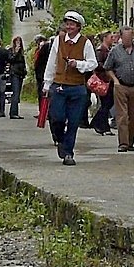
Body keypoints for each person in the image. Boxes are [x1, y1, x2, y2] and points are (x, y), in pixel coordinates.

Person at [42, 11, 97, 166]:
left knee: (73, 122)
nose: (69, 27)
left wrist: (78, 64)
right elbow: (51, 62)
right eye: (67, 24)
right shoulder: (58, 41)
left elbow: (93, 63)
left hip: (77, 88)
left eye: (72, 24)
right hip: (59, 85)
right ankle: (60, 139)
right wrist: (47, 84)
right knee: (56, 118)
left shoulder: (85, 43)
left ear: (78, 27)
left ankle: (68, 154)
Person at [103, 26, 134, 153]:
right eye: (126, 37)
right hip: (121, 85)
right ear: (121, 37)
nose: (128, 39)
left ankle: (130, 142)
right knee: (122, 116)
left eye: (130, 37)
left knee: (133, 116)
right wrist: (115, 81)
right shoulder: (115, 51)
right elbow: (107, 68)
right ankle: (123, 143)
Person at [90, 31, 115, 136]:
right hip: (103, 81)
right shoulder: (101, 51)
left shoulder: (108, 50)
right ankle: (101, 125)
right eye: (111, 37)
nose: (113, 39)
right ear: (105, 38)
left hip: (108, 80)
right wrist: (107, 68)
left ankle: (99, 123)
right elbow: (98, 65)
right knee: (106, 103)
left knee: (108, 103)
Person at [7, 35, 27, 119]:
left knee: (18, 93)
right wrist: (15, 52)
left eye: (19, 42)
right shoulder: (11, 50)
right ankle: (13, 113)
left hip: (20, 73)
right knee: (15, 93)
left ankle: (15, 112)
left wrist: (25, 70)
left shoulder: (21, 52)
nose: (18, 43)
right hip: (14, 73)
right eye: (17, 42)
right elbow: (10, 60)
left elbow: (23, 62)